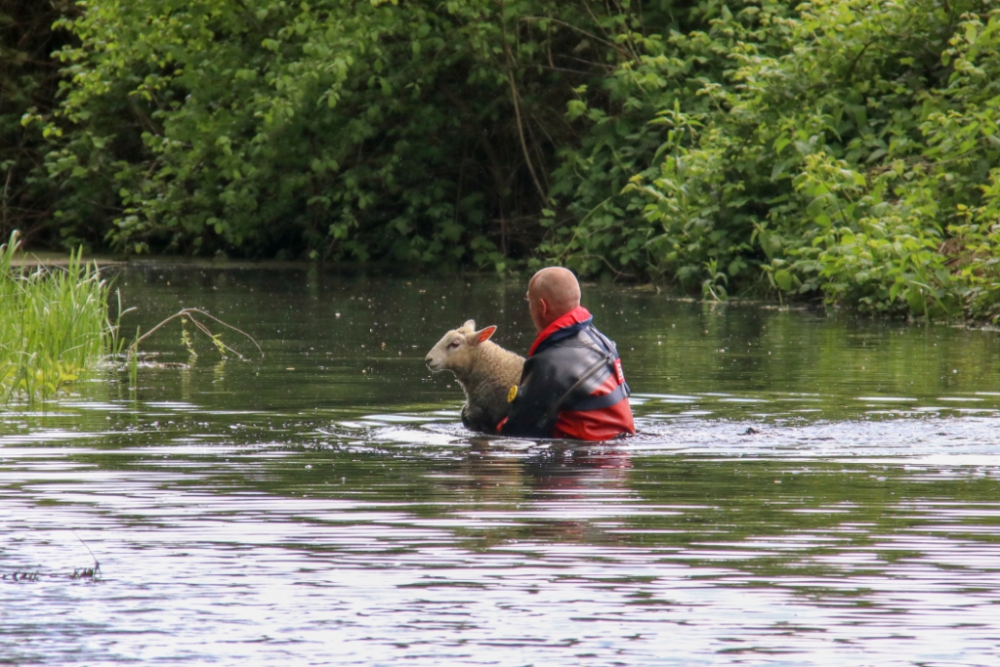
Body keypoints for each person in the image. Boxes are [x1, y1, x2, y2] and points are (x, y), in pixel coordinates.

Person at [498, 267, 635, 440]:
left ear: (542, 307)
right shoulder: (603, 342)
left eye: (529, 302)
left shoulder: (550, 364)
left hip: (586, 459)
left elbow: (517, 431)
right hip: (619, 455)